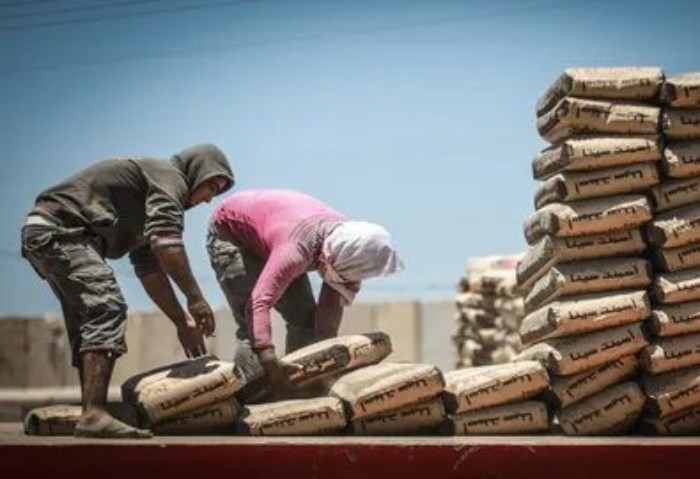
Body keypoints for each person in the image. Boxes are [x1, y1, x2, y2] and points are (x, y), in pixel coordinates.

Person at [21, 144, 234, 438]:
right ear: (197, 171)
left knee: (89, 319)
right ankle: (94, 414)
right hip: (62, 231)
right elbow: (167, 242)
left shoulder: (151, 197)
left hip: (50, 232)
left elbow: (151, 270)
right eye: (211, 185)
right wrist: (195, 299)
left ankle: (92, 412)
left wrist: (180, 321)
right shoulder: (169, 177)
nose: (210, 198)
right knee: (107, 306)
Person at [206, 189, 404, 401]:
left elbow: (328, 311)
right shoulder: (296, 251)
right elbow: (258, 303)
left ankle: (294, 392)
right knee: (251, 330)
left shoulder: (348, 247)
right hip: (232, 234)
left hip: (276, 235)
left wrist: (325, 360)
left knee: (305, 322)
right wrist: (267, 355)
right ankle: (254, 398)